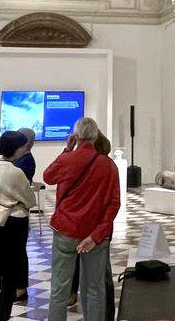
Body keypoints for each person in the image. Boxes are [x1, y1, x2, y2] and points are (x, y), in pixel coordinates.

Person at [44, 117, 119, 321]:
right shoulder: (108, 165)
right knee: (94, 290)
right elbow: (113, 204)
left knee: (59, 291)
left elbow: (48, 177)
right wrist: (96, 236)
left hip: (66, 230)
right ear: (96, 136)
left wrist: (66, 150)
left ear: (76, 136)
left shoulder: (67, 159)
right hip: (94, 235)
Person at [0, 131, 37, 321]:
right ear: (16, 148)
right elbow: (29, 199)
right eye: (22, 146)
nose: (25, 149)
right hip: (13, 223)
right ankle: (2, 316)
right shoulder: (15, 171)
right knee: (10, 276)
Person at [68, 134, 116, 315]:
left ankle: (100, 313)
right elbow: (113, 202)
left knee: (97, 279)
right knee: (100, 276)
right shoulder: (107, 166)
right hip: (100, 229)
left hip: (91, 229)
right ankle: (104, 314)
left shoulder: (99, 165)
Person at [12, 127, 37, 302]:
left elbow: (20, 185)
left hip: (18, 210)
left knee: (19, 251)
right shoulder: (18, 159)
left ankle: (20, 288)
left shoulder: (27, 160)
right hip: (10, 210)